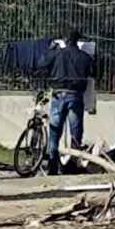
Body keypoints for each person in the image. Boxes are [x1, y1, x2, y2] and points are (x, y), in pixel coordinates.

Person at [38, 29, 97, 176]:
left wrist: (51, 50)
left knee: (54, 131)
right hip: (75, 95)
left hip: (58, 95)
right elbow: (95, 72)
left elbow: (41, 64)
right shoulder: (85, 57)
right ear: (78, 41)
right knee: (76, 132)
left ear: (64, 41)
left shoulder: (56, 54)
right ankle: (72, 164)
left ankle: (52, 164)